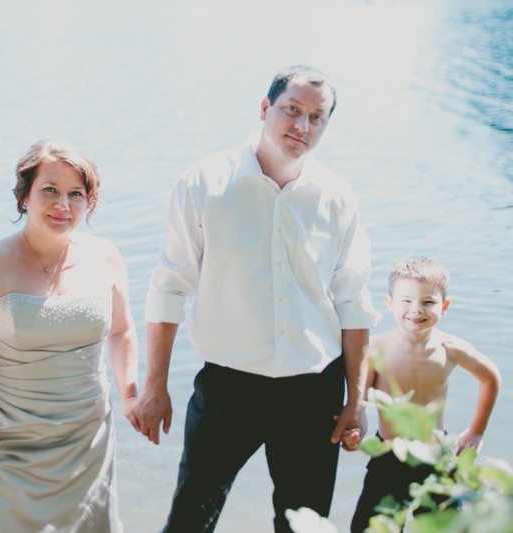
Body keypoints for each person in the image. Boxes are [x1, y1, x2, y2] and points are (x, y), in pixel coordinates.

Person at [134, 65, 381, 532]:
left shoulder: (338, 197)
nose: (302, 126)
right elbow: (168, 287)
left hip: (314, 390)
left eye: (316, 117)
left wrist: (357, 399)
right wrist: (154, 387)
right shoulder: (203, 183)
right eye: (292, 110)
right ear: (265, 108)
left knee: (303, 525)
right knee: (190, 520)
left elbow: (353, 302)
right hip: (229, 387)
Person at [0, 139, 140, 532]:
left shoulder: (107, 257)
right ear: (24, 196)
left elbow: (122, 331)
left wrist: (131, 395)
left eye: (75, 194)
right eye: (49, 190)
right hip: (6, 440)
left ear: (89, 202)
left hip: (87, 437)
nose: (62, 205)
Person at [349, 257, 501, 533]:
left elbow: (491, 378)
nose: (416, 309)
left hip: (436, 455)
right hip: (390, 455)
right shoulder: (376, 350)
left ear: (444, 306)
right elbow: (359, 400)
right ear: (390, 303)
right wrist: (358, 423)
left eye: (428, 302)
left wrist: (477, 430)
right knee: (370, 528)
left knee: (444, 527)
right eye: (406, 301)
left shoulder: (450, 348)